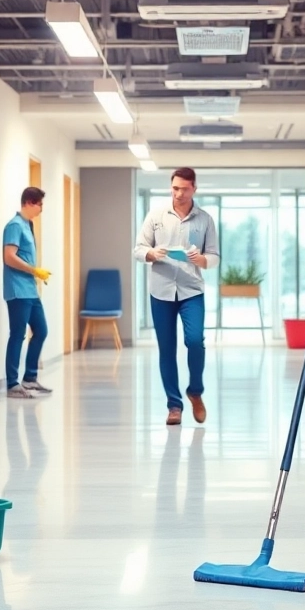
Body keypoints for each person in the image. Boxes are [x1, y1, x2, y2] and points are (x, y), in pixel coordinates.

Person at [133, 167, 220, 426]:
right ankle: (174, 405)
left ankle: (195, 390)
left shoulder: (204, 219)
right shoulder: (156, 215)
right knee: (167, 349)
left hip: (191, 290)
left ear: (194, 188)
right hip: (160, 291)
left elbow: (214, 257)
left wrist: (200, 259)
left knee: (195, 341)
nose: (178, 193)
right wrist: (152, 253)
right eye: (174, 188)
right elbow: (138, 248)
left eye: (184, 188)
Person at [3, 187, 53, 398]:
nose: (41, 209)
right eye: (40, 204)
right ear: (29, 203)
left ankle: (30, 378)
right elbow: (9, 257)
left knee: (41, 330)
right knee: (18, 335)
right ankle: (13, 384)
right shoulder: (14, 226)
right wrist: (34, 270)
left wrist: (35, 274)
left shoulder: (27, 225)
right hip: (17, 290)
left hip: (30, 290)